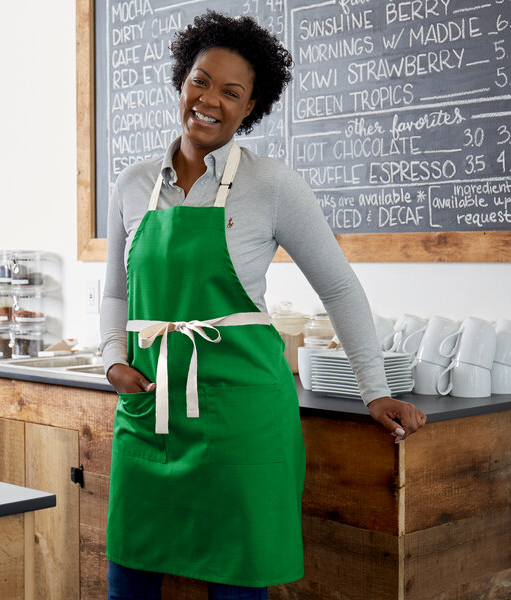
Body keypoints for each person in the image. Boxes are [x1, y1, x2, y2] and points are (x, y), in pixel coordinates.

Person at [100, 10, 426, 600]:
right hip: (152, 409)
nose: (209, 100)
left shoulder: (272, 185)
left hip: (242, 418)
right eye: (200, 80)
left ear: (250, 108)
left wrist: (374, 389)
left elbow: (340, 288)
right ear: (182, 82)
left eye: (231, 92)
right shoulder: (132, 183)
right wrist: (111, 361)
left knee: (238, 583)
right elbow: (116, 292)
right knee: (129, 575)